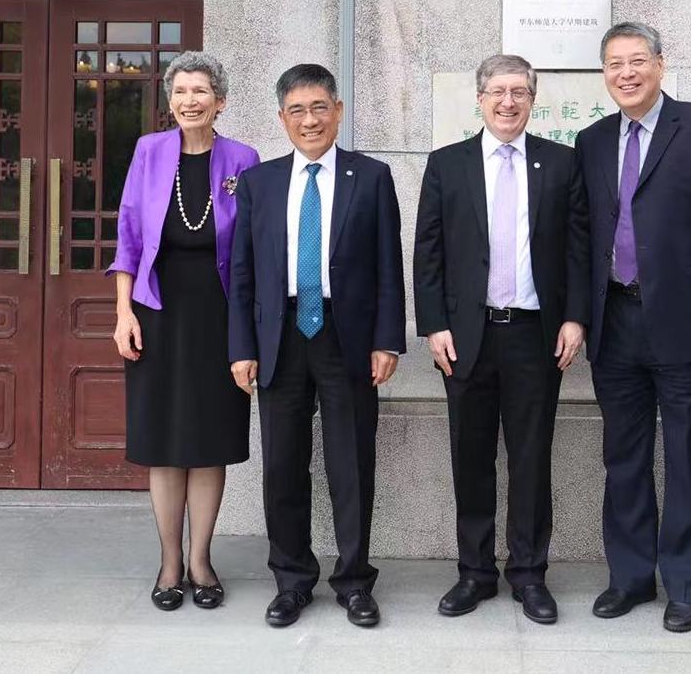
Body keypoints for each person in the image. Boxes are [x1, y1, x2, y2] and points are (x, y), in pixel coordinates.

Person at [574, 21, 691, 633]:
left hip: (689, 321)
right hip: (616, 322)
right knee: (622, 457)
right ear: (603, 74)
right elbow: (586, 237)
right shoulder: (591, 140)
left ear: (659, 64)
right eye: (613, 64)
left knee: (689, 456)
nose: (625, 73)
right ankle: (629, 578)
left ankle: (686, 584)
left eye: (636, 61)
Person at [413, 54, 590, 625]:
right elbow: (428, 254)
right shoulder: (447, 165)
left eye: (519, 92)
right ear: (480, 99)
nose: (508, 102)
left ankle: (530, 574)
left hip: (536, 335)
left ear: (532, 100)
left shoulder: (561, 164)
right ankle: (474, 572)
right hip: (466, 336)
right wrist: (433, 325)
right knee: (471, 457)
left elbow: (578, 251)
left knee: (532, 458)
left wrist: (575, 318)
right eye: (497, 92)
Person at [228, 63, 406, 629]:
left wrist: (388, 341)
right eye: (298, 111)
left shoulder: (371, 177)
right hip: (278, 337)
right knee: (282, 464)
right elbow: (242, 275)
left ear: (339, 112)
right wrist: (241, 346)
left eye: (320, 108)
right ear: (282, 119)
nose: (310, 120)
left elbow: (387, 268)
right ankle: (292, 580)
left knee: (351, 463)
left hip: (345, 337)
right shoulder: (260, 183)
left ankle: (354, 581)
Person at [107, 52, 260, 611]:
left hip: (219, 317)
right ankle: (169, 562)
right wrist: (124, 313)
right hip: (157, 312)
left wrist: (252, 332)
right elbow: (127, 235)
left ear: (220, 101)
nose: (190, 100)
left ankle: (201, 559)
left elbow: (250, 250)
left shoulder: (243, 159)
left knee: (209, 439)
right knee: (164, 443)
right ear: (169, 101)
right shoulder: (149, 152)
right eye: (181, 91)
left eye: (201, 91)